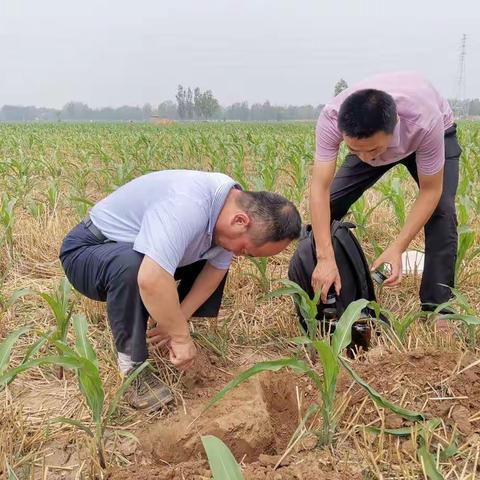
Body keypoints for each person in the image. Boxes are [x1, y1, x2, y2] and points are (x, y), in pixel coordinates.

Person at [60, 169, 301, 410]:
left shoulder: (227, 206)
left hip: (136, 251)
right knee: (135, 268)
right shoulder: (187, 205)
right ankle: (133, 369)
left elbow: (213, 273)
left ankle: (165, 323)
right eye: (246, 250)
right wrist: (180, 337)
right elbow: (151, 278)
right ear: (240, 221)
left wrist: (176, 322)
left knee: (213, 252)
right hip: (90, 250)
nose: (240, 255)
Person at [310, 72, 461, 313]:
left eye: (373, 150)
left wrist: (397, 247)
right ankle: (320, 278)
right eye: (353, 149)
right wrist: (325, 256)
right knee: (331, 203)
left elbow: (431, 191)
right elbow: (319, 188)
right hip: (374, 137)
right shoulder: (331, 118)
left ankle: (438, 307)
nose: (367, 159)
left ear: (395, 127)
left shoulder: (424, 121)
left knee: (442, 211)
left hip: (433, 135)